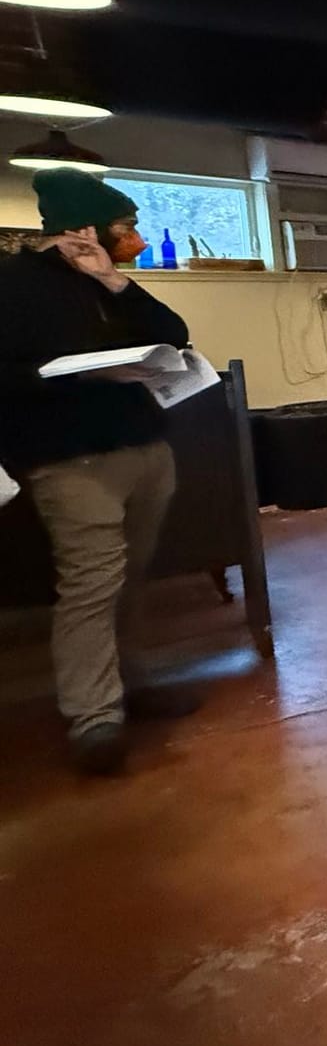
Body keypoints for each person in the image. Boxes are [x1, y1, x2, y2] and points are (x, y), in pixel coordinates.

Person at [0, 169, 201, 775]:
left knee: (131, 577)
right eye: (125, 227)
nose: (135, 237)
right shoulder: (12, 286)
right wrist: (73, 375)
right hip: (71, 458)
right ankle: (94, 717)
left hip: (143, 448)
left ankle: (130, 684)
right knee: (90, 584)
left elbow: (173, 336)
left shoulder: (106, 282)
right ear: (79, 227)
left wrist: (113, 279)